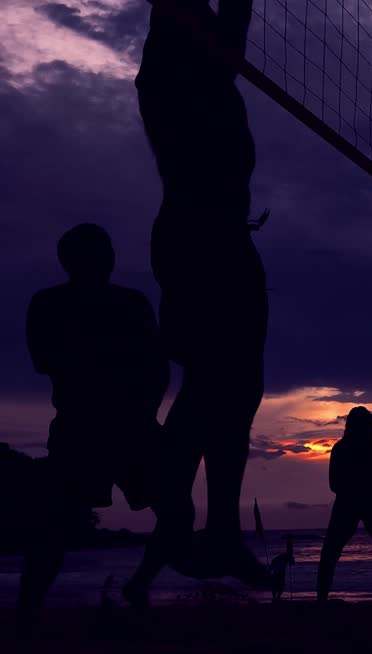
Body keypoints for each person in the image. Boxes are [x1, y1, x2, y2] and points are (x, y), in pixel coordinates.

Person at [132, 0, 272, 591]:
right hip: (197, 239)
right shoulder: (169, 76)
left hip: (225, 241)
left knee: (235, 391)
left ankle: (214, 533)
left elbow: (231, 31)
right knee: (212, 386)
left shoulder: (211, 81)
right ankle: (181, 525)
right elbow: (216, 28)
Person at [19, 224, 171, 618]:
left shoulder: (52, 303)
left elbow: (156, 365)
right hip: (99, 424)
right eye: (101, 251)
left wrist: (144, 408)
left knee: (57, 525)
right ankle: (29, 611)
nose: (107, 258)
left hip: (108, 423)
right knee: (57, 525)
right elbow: (156, 365)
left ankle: (29, 611)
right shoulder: (119, 303)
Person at [317, 408, 372, 602]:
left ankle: (321, 599)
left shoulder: (344, 448)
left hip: (355, 503)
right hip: (364, 503)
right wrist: (366, 491)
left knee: (330, 553)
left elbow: (335, 484)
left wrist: (355, 491)